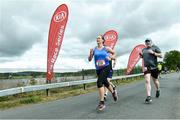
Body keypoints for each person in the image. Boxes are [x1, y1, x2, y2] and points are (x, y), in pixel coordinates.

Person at [88, 35, 118, 111]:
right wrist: (91, 53)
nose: (97, 39)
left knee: (99, 82)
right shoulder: (94, 49)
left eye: (99, 38)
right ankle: (113, 92)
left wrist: (110, 57)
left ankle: (102, 102)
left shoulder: (106, 48)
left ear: (102, 40)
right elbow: (89, 59)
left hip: (106, 67)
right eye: (97, 38)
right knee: (105, 83)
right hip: (98, 69)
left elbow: (114, 54)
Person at [140, 38, 162, 103]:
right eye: (146, 43)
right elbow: (143, 57)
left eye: (148, 42)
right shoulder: (143, 49)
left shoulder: (155, 47)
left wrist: (153, 53)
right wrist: (141, 56)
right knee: (147, 81)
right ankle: (148, 97)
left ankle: (158, 89)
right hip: (147, 67)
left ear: (151, 42)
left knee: (155, 81)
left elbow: (161, 55)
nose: (147, 43)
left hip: (154, 67)